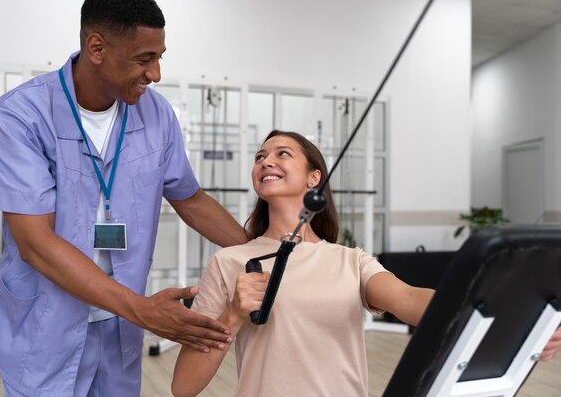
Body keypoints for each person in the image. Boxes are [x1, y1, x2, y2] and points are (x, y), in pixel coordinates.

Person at [0, 0, 246, 396]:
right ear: (96, 48)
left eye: (159, 58)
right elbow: (36, 244)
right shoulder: (19, 118)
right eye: (144, 59)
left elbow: (190, 198)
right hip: (46, 326)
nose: (156, 74)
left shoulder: (156, 114)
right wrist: (144, 310)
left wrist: (266, 252)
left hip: (119, 330)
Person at [171, 130, 561, 397]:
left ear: (314, 179)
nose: (265, 161)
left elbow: (412, 301)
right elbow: (183, 387)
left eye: (281, 153)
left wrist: (520, 324)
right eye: (259, 156)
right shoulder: (230, 261)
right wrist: (234, 315)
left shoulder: (349, 261)